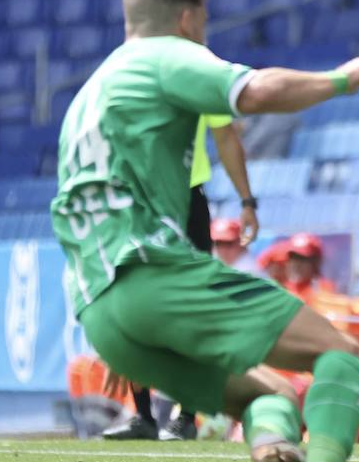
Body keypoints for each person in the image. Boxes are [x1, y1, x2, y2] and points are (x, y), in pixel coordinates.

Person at [52, 0, 359, 462]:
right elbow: (257, 91)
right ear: (189, 19)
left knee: (272, 393)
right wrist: (343, 79)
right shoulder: (169, 55)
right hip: (154, 275)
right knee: (338, 352)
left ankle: (273, 447)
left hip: (100, 308)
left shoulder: (88, 95)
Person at [108, 113, 259, 442]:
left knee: (192, 307)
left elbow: (226, 136)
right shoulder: (139, 85)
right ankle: (143, 416)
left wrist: (247, 201)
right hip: (144, 199)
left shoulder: (196, 77)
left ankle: (187, 416)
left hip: (186, 198)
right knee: (135, 302)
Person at [285, 233, 336, 305]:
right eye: (292, 258)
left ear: (316, 262)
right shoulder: (283, 289)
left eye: (302, 258)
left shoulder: (325, 291)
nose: (296, 264)